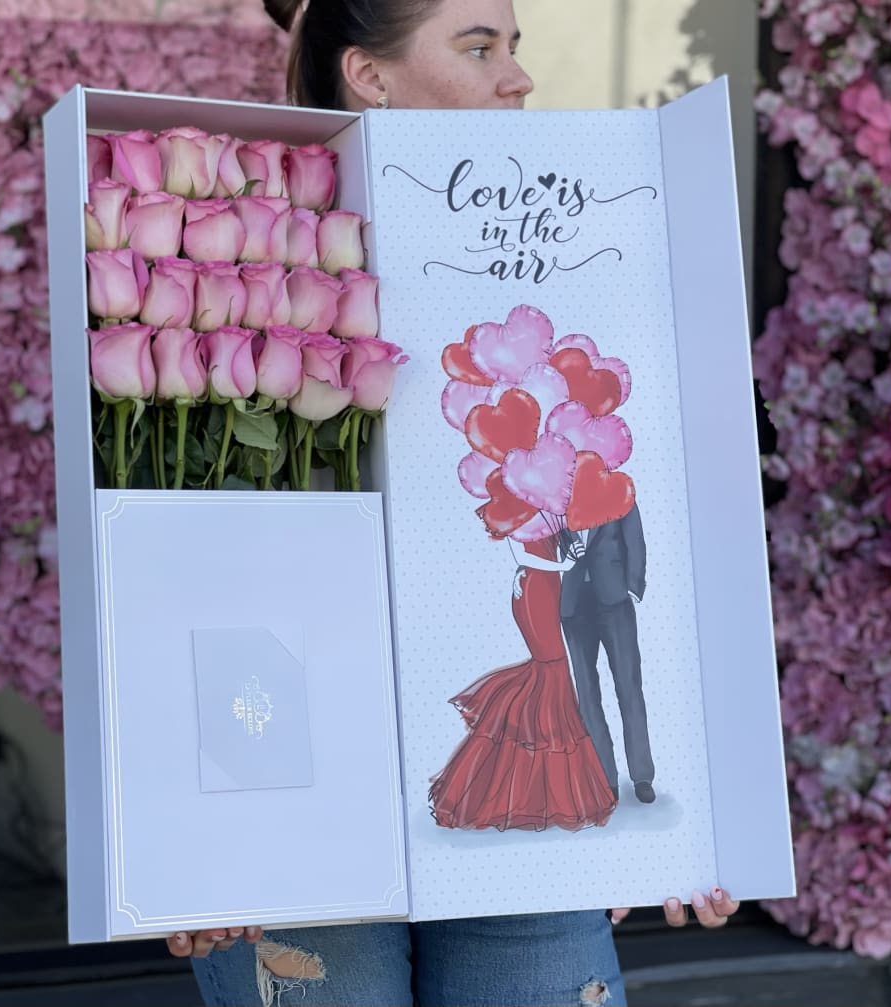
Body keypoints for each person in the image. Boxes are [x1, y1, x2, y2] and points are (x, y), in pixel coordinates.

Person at [167, 1, 741, 1003]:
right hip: (296, 803)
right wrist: (182, 830)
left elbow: (650, 503)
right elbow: (170, 553)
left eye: (513, 46)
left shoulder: (586, 254)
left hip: (515, 821)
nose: (516, 77)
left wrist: (695, 816)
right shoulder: (225, 255)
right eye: (478, 48)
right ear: (368, 74)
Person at [429, 538, 617, 832]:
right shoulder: (516, 506)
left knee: (551, 676)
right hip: (533, 590)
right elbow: (520, 552)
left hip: (551, 586)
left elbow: (560, 540)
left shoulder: (549, 507)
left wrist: (572, 549)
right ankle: (532, 791)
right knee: (552, 671)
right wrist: (562, 565)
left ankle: (542, 792)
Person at [560, 504, 657, 805]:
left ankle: (641, 775)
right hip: (574, 604)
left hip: (615, 601)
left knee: (629, 688)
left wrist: (633, 587)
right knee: (587, 695)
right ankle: (605, 778)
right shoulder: (555, 495)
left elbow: (635, 540)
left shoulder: (617, 491)